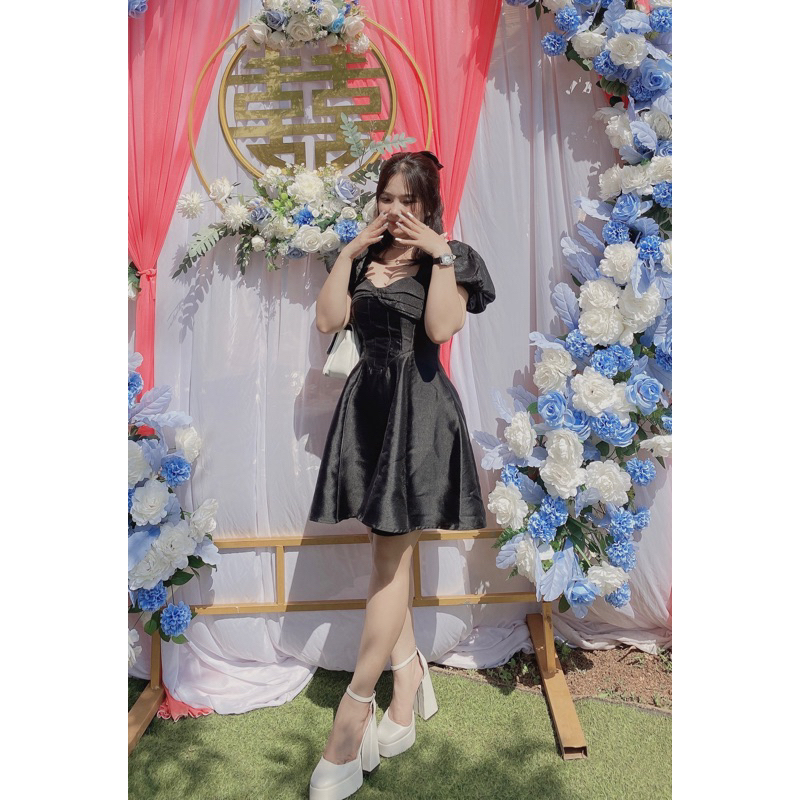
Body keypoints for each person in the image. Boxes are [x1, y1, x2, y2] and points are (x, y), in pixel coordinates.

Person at [307, 150, 496, 800]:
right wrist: (347, 252)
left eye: (406, 201)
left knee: (387, 563)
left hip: (419, 416)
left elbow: (441, 327)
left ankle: (354, 713)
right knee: (385, 557)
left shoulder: (453, 257)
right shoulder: (364, 257)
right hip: (368, 412)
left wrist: (439, 254)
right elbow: (329, 320)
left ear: (427, 205)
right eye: (386, 198)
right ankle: (409, 674)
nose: (394, 210)